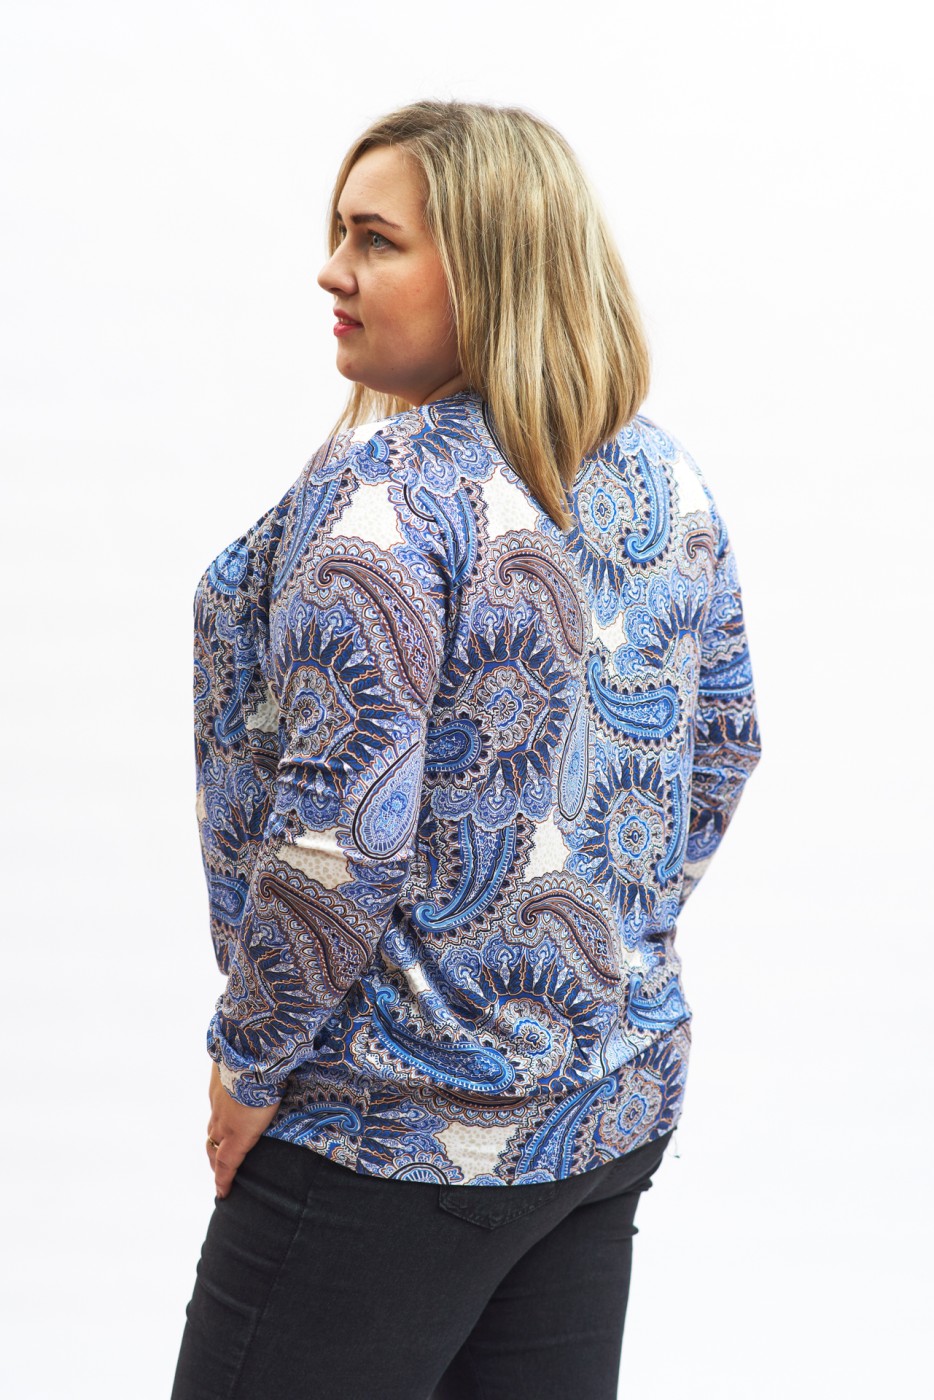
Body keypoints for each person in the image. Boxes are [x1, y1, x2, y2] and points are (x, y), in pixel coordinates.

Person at [171, 99, 762, 1400]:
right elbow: (722, 750)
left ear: (488, 265)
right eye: (339, 232)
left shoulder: (389, 504)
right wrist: (593, 953)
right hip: (603, 1110)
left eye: (375, 240)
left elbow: (338, 845)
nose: (332, 271)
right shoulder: (662, 479)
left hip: (387, 1137)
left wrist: (251, 1061)